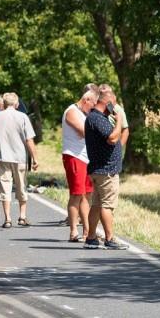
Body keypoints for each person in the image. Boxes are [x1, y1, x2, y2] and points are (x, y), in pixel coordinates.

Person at [0, 93, 39, 228]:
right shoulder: (23, 117)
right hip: (20, 158)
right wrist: (35, 158)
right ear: (17, 104)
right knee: (21, 186)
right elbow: (29, 139)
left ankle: (7, 219)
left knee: (5, 188)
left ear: (3, 104)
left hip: (3, 157)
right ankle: (22, 217)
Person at [83, 88, 127, 250]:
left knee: (96, 204)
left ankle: (91, 237)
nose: (115, 108)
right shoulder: (97, 118)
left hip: (100, 169)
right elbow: (113, 138)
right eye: (113, 104)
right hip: (105, 170)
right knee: (107, 205)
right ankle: (110, 239)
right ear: (107, 102)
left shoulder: (96, 118)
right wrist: (119, 121)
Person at [61, 86, 97, 242]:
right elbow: (84, 133)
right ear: (86, 100)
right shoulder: (72, 111)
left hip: (86, 158)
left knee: (87, 195)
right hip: (74, 156)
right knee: (76, 194)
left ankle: (87, 231)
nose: (93, 109)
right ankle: (73, 230)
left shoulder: (84, 113)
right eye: (93, 105)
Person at [98, 84, 130, 160]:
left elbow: (125, 130)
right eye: (103, 94)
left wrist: (118, 149)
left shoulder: (117, 109)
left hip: (111, 147)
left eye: (108, 93)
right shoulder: (95, 110)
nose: (107, 96)